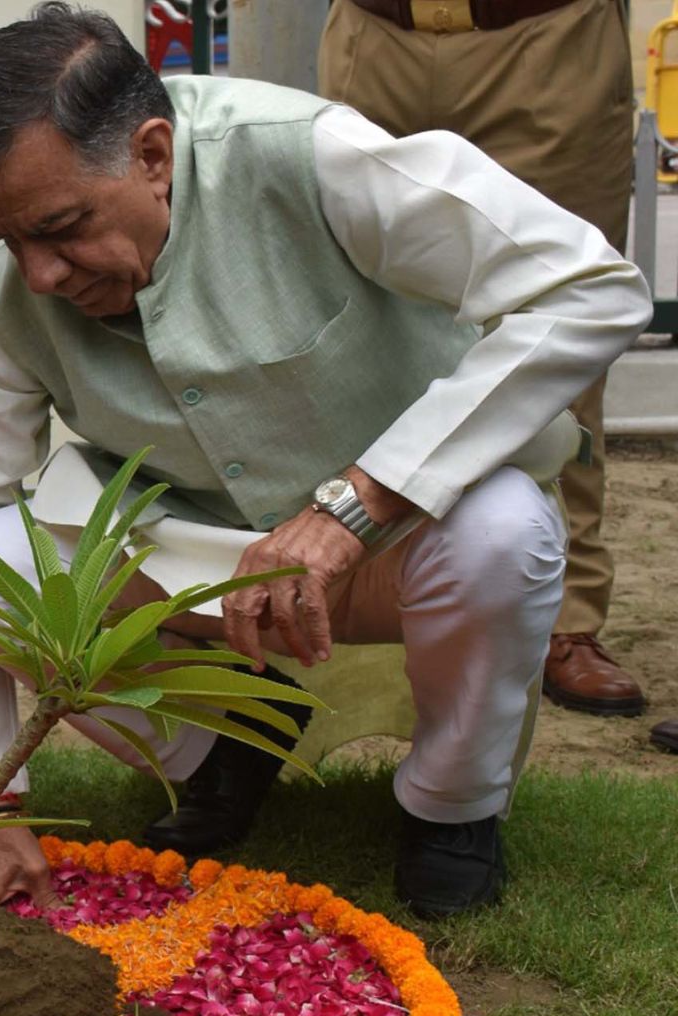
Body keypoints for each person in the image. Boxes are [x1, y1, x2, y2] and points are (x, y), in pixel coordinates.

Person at [0, 4, 649, 923]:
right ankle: (221, 750)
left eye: (62, 226)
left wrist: (354, 508)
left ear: (153, 154)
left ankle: (451, 807)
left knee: (508, 533)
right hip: (190, 569)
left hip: (399, 543)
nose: (41, 274)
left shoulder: (310, 154)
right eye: (13, 239)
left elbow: (591, 289)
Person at [316, 0, 650, 724]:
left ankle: (567, 615)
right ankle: (348, 599)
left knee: (561, 328)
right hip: (374, 36)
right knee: (351, 327)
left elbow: (577, 323)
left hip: (546, 36)